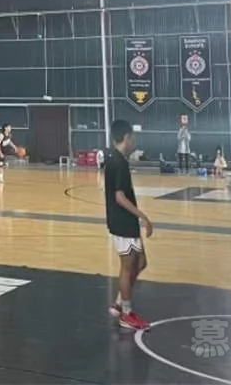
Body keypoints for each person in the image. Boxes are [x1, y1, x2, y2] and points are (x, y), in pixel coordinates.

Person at [104, 119, 153, 331]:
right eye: (133, 137)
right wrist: (143, 216)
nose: (135, 140)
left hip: (126, 222)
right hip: (122, 222)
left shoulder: (116, 159)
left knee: (140, 262)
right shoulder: (119, 163)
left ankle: (118, 303)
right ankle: (126, 312)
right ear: (126, 137)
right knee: (127, 267)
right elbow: (119, 197)